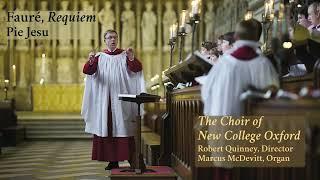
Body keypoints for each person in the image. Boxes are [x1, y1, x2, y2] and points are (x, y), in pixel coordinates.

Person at [81, 30, 144, 170]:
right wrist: (90, 62)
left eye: (115, 37)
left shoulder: (124, 55)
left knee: (123, 128)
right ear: (105, 40)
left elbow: (137, 69)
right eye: (109, 37)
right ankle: (112, 160)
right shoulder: (99, 57)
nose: (113, 40)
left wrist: (132, 58)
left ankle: (130, 159)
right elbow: (87, 71)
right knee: (108, 128)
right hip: (105, 100)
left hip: (121, 100)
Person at [200, 19, 279, 116]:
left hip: (227, 122)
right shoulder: (264, 63)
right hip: (256, 124)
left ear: (236, 37)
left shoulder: (224, 63)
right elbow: (273, 95)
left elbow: (207, 93)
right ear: (258, 38)